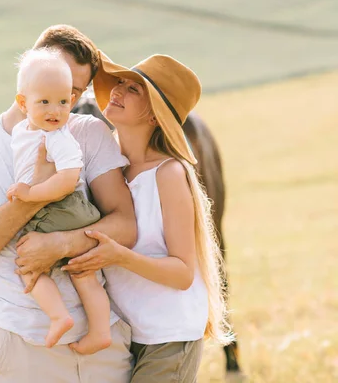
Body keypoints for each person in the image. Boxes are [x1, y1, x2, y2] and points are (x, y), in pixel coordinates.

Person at [0, 26, 135, 382]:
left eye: (73, 93)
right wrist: (38, 189)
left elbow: (126, 225)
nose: (62, 104)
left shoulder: (88, 132)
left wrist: (60, 244)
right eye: (56, 88)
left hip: (103, 342)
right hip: (20, 343)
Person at [62, 51, 233, 382]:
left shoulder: (167, 175)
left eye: (133, 90)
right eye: (121, 83)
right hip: (127, 333)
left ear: (155, 115)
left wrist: (119, 256)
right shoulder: (106, 165)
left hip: (168, 336)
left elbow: (183, 273)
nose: (116, 91)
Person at [7, 47, 112, 353]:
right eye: (45, 102)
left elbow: (67, 180)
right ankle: (100, 332)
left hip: (62, 206)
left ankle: (58, 316)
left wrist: (29, 194)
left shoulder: (57, 136)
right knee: (84, 274)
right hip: (65, 208)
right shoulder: (24, 131)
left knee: (28, 262)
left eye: (64, 102)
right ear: (22, 103)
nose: (56, 111)